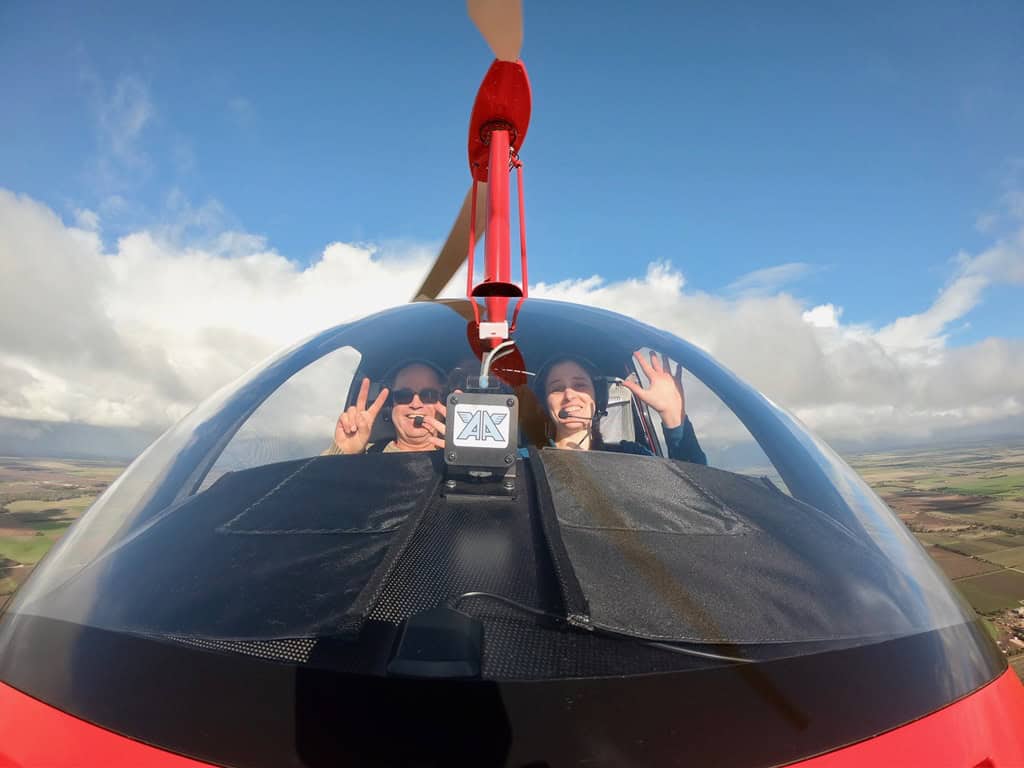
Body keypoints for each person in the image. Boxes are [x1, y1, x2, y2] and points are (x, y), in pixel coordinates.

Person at [537, 351, 706, 464]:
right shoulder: (523, 462)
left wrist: (673, 418)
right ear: (545, 403)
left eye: (580, 385)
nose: (569, 395)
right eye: (557, 388)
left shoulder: (630, 456)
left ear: (599, 398)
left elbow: (695, 495)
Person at [325, 362, 448, 455]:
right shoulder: (368, 454)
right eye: (404, 396)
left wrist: (464, 457)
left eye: (428, 396)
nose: (415, 404)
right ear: (390, 405)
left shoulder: (461, 455)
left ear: (443, 403)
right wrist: (342, 454)